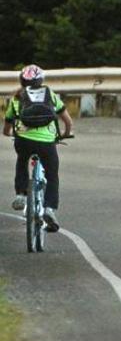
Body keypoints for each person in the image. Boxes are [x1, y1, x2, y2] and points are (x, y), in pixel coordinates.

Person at [2, 64, 74, 232]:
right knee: (52, 175)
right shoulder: (50, 95)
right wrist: (65, 134)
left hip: (23, 140)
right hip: (47, 142)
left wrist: (11, 133)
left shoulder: (16, 98)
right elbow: (68, 121)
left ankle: (20, 194)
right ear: (41, 80)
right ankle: (49, 209)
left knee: (21, 162)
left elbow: (6, 129)